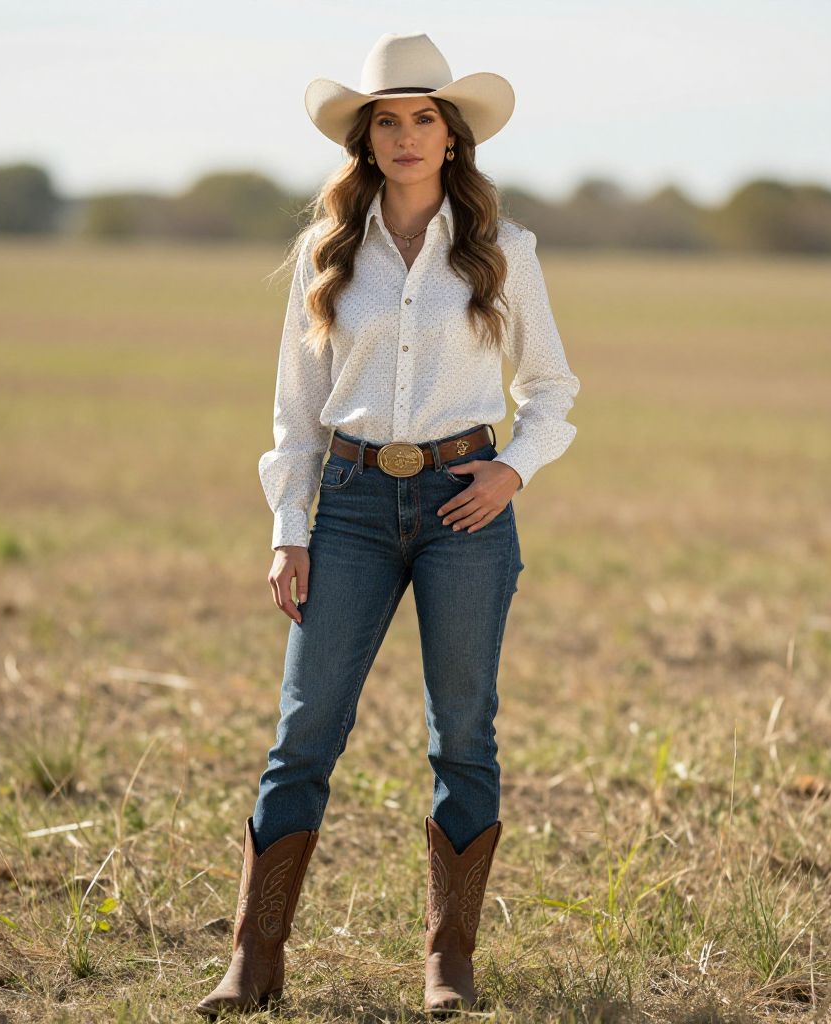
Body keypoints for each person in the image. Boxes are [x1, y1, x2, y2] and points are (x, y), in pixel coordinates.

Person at [196, 31, 581, 1019]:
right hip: (353, 510)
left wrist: (511, 470)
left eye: (423, 119)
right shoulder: (326, 256)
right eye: (386, 120)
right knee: (303, 729)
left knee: (463, 734)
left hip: (466, 505)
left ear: (450, 138)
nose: (406, 136)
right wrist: (290, 526)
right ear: (364, 141)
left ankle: (448, 964)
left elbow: (550, 389)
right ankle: (254, 960)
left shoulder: (504, 253)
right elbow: (296, 405)